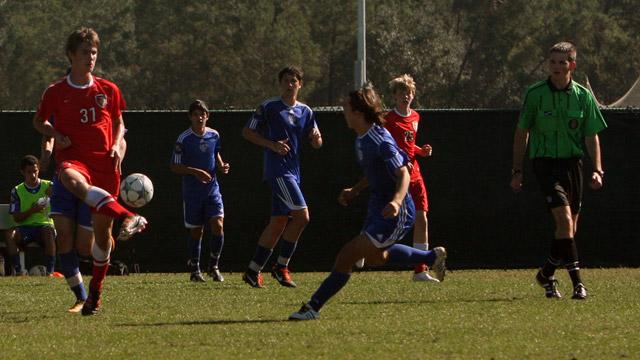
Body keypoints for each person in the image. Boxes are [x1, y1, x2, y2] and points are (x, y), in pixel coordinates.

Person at [289, 85, 447, 321]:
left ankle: (312, 307)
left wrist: (396, 201)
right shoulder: (362, 138)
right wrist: (355, 190)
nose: (343, 113)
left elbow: (403, 173)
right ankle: (430, 257)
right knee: (375, 257)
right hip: (378, 206)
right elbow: (375, 172)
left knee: (347, 255)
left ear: (358, 112)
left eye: (346, 109)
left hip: (396, 212)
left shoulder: (379, 139)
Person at [33, 27, 147, 316]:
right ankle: (128, 215)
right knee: (68, 181)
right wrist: (55, 134)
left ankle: (94, 294)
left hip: (105, 169)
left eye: (94, 52)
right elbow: (39, 121)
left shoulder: (108, 89)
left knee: (93, 243)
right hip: (74, 162)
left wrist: (118, 146)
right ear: (71, 55)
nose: (91, 57)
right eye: (85, 52)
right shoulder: (56, 91)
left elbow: (121, 124)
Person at [510, 41, 606, 300]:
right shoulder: (536, 93)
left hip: (572, 165)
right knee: (564, 221)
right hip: (545, 164)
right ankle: (578, 284)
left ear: (572, 65)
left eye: (562, 62)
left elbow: (591, 136)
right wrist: (517, 170)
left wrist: (597, 169)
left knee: (569, 230)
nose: (556, 66)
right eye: (552, 61)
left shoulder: (583, 96)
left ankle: (546, 274)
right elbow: (522, 132)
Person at [340, 74, 438, 282]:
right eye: (402, 92)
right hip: (397, 175)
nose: (406, 96)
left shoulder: (415, 118)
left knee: (422, 218)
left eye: (410, 92)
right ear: (393, 96)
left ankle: (421, 270)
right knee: (380, 217)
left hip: (414, 174)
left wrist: (420, 152)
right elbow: (390, 150)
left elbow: (408, 145)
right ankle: (363, 248)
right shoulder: (387, 121)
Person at [241, 66, 323, 288]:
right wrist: (271, 145)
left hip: (294, 173)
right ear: (280, 84)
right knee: (302, 217)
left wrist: (316, 138)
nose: (290, 85)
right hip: (278, 172)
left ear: (300, 84)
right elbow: (247, 132)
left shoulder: (306, 111)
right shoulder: (269, 107)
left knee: (278, 222)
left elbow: (317, 142)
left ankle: (253, 270)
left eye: (293, 81)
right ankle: (281, 266)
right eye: (286, 81)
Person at [170, 100, 229, 283]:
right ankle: (195, 270)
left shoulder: (214, 135)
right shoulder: (184, 139)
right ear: (190, 117)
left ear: (207, 116)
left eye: (202, 114)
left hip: (212, 190)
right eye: (196, 114)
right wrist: (195, 172)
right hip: (193, 193)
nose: (199, 117)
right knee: (197, 232)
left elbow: (215, 153)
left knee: (218, 225)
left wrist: (221, 165)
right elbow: (174, 166)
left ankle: (214, 266)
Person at [6, 155, 56, 276]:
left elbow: (67, 196)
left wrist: (56, 193)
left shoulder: (50, 186)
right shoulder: (17, 191)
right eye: (29, 172)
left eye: (35, 171)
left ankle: (50, 272)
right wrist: (32, 210)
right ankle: (19, 272)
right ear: (22, 172)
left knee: (48, 232)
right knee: (9, 235)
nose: (33, 175)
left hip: (45, 228)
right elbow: (16, 218)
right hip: (25, 229)